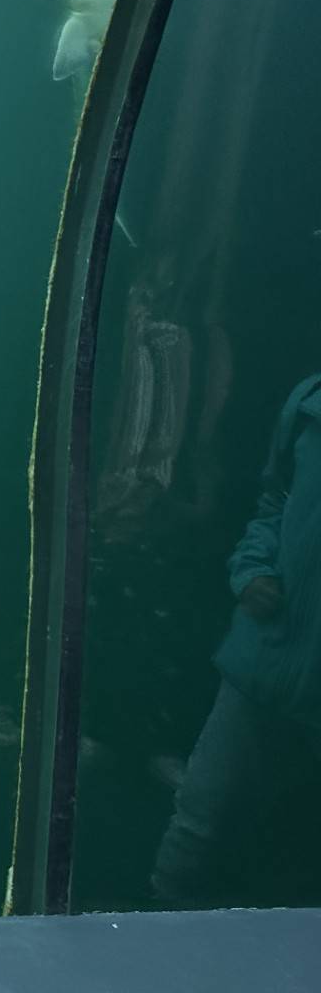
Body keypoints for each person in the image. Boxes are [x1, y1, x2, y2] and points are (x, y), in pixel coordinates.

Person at [149, 373, 321, 905]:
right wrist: (252, 569)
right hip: (263, 659)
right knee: (196, 827)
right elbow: (274, 502)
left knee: (295, 855)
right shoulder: (310, 399)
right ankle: (153, 940)